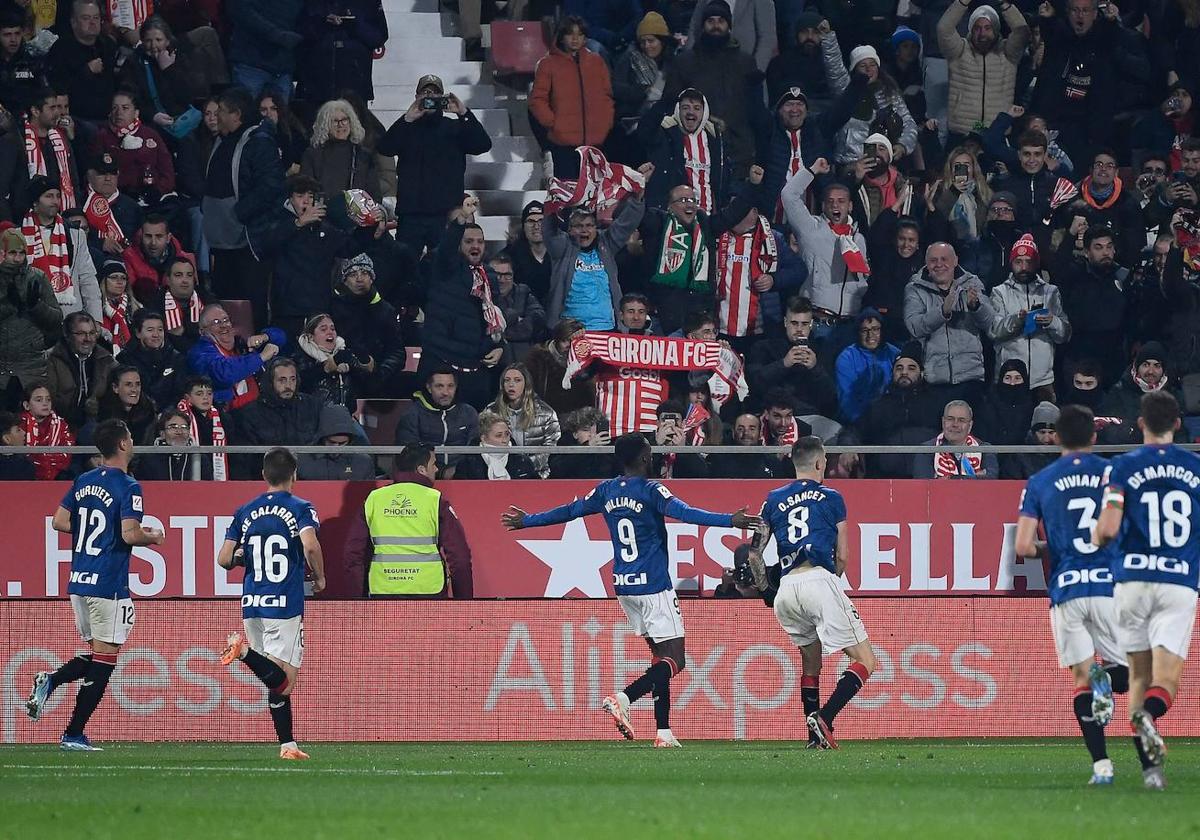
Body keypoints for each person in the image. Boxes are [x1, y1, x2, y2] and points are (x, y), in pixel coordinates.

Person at [503, 433, 761, 746]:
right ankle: (624, 698)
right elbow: (687, 513)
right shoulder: (652, 490)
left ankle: (663, 732)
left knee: (659, 659)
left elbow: (568, 512)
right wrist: (730, 521)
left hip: (624, 585)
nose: (652, 458)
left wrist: (527, 521)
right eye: (649, 454)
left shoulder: (605, 490)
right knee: (676, 660)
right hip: (653, 586)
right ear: (642, 458)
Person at [25, 419, 165, 750]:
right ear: (123, 445)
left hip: (78, 581)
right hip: (107, 583)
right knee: (105, 661)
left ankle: (52, 682)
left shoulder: (84, 480)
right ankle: (73, 732)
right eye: (130, 436)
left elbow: (60, 521)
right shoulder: (129, 486)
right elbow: (131, 533)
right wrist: (153, 538)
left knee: (100, 654)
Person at [1014, 403, 1127, 785]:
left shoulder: (1040, 482)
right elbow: (1119, 528)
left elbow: (1024, 547)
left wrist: (1055, 547)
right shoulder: (1113, 475)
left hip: (1066, 589)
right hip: (1109, 586)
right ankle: (1108, 684)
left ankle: (1102, 767)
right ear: (1094, 438)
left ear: (1057, 437)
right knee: (1128, 673)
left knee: (1081, 679)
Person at [1093, 391, 1200, 790]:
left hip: (1132, 582)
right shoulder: (1196, 469)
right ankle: (1151, 738)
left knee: (1136, 676)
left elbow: (1106, 529)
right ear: (1177, 424)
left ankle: (1149, 768)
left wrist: (1099, 536)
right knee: (1165, 680)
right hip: (1178, 582)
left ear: (1140, 424)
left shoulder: (1121, 467)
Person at [748, 436, 875, 749]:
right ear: (820, 463)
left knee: (810, 664)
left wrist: (766, 590)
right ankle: (825, 718)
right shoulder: (832, 497)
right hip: (818, 579)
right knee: (865, 660)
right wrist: (832, 584)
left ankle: (813, 739)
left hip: (787, 590)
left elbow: (753, 555)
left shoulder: (772, 499)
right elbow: (842, 554)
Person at [217, 446, 324, 761]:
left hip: (252, 601)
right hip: (284, 603)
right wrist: (319, 578)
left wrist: (242, 557)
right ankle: (244, 652)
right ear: (295, 475)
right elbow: (310, 545)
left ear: (263, 475)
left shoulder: (245, 511)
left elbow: (224, 559)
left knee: (273, 677)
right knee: (285, 683)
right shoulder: (300, 507)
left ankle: (287, 745)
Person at [376, 74, 492, 257]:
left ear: (442, 97)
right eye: (425, 93)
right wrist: (407, 118)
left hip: (445, 215)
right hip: (411, 215)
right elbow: (385, 148)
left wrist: (463, 113)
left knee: (443, 269)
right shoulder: (407, 127)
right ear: (416, 97)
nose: (429, 97)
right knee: (405, 268)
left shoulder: (455, 127)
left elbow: (483, 145)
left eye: (435, 93)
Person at [345, 443, 474, 597]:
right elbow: (459, 557)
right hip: (428, 590)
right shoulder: (436, 500)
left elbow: (353, 554)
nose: (437, 469)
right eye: (433, 464)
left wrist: (356, 598)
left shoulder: (374, 499)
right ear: (421, 470)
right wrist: (464, 601)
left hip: (384, 590)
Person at [780, 158, 869, 335]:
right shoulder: (810, 228)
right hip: (819, 322)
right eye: (830, 201)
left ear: (850, 206)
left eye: (841, 201)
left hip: (849, 325)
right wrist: (812, 170)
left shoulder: (858, 238)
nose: (835, 205)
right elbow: (789, 195)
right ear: (823, 205)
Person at [904, 242, 993, 404]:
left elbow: (990, 324)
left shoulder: (972, 283)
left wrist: (976, 307)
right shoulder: (914, 288)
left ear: (955, 261)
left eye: (944, 259)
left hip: (971, 379)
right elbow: (914, 327)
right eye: (933, 260)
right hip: (934, 381)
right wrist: (942, 311)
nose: (939, 264)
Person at [544, 193, 647, 331]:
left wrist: (637, 199)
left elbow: (625, 225)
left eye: (589, 225)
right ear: (569, 229)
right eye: (579, 226)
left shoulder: (606, 244)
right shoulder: (563, 247)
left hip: (607, 327)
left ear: (595, 228)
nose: (584, 230)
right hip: (571, 329)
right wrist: (551, 202)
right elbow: (549, 231)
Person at [529, 16, 614, 178]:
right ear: (561, 36)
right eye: (570, 34)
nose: (575, 39)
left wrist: (605, 122)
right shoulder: (548, 64)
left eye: (580, 34)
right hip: (563, 143)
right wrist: (554, 123)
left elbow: (607, 96)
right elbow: (537, 99)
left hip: (595, 142)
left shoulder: (596, 62)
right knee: (569, 193)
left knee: (593, 193)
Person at [937, 1, 1030, 145]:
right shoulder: (959, 50)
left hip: (997, 132)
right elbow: (944, 29)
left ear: (996, 29)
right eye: (977, 28)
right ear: (970, 30)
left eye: (988, 28)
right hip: (961, 133)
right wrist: (963, 2)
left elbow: (1022, 32)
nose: (982, 34)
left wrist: (1005, 4)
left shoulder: (1008, 52)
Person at [22, 174, 100, 322]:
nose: (55, 201)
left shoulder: (76, 235)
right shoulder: (18, 235)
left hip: (69, 317)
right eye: (49, 196)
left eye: (58, 196)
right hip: (31, 319)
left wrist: (95, 320)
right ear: (34, 202)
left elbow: (87, 278)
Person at [328, 254, 407, 399]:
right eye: (353, 274)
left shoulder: (386, 310)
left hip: (378, 384)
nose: (359, 279)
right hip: (340, 381)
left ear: (372, 278)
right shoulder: (331, 308)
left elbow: (396, 352)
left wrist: (379, 374)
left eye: (364, 273)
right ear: (344, 280)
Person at [0, 224, 62, 398]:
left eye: (21, 253)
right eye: (12, 253)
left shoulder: (37, 277)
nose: (18, 259)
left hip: (31, 368)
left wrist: (35, 305)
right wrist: (9, 304)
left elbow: (56, 320)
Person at [186, 303, 284, 409]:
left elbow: (281, 337)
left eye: (226, 320)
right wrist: (261, 357)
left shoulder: (241, 344)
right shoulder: (198, 353)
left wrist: (265, 336)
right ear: (202, 331)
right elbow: (224, 373)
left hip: (260, 407)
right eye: (216, 322)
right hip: (230, 414)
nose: (223, 325)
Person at [395, 367, 478, 479]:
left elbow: (475, 451)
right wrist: (442, 472)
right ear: (429, 388)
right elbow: (409, 456)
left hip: (462, 476)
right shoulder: (412, 415)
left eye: (450, 386)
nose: (445, 392)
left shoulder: (469, 413)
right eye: (439, 386)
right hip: (425, 477)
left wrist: (459, 470)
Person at [45, 1, 119, 123]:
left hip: (110, 118)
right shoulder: (61, 49)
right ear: (73, 22)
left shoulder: (108, 45)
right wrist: (86, 72)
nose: (92, 22)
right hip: (77, 119)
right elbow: (59, 90)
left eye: (96, 17)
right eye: (86, 18)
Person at [484, 362, 560, 478]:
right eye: (507, 380)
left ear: (526, 384)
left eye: (517, 380)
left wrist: (523, 467)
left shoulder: (546, 413)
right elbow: (484, 444)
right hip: (499, 474)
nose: (511, 385)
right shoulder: (491, 412)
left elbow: (552, 450)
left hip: (537, 476)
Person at [300, 98, 382, 201]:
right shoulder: (312, 155)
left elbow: (374, 193)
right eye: (335, 121)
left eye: (344, 120)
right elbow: (306, 191)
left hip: (357, 214)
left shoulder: (363, 155)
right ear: (325, 124)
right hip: (323, 213)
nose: (340, 125)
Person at [46, 311, 114, 429]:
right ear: (67, 335)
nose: (88, 339)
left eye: (92, 333)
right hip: (60, 423)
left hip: (98, 424)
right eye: (81, 333)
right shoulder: (52, 360)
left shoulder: (107, 361)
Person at [913, 399, 999, 479]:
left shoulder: (985, 449)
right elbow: (924, 483)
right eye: (950, 419)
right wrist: (974, 477)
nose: (955, 424)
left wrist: (946, 479)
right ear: (943, 422)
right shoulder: (926, 450)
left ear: (970, 426)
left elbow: (990, 478)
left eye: (961, 420)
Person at [124, 214, 194, 304]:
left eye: (159, 236)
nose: (153, 242)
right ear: (141, 236)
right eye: (148, 236)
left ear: (168, 238)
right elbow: (130, 295)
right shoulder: (129, 256)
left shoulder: (184, 259)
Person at [491, 252, 545, 364]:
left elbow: (538, 321)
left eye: (507, 275)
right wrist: (515, 317)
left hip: (524, 365)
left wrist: (501, 331)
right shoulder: (481, 296)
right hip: (494, 365)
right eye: (497, 274)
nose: (502, 280)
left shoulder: (523, 292)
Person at [453, 412, 540, 480]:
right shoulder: (467, 464)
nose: (505, 440)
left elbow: (537, 488)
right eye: (499, 435)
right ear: (483, 438)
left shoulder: (522, 461)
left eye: (507, 434)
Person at [20, 381, 73, 480]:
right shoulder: (18, 426)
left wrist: (45, 460)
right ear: (27, 405)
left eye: (48, 400)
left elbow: (67, 453)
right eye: (39, 400)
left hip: (58, 475)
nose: (45, 403)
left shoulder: (61, 424)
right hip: (26, 475)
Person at [137, 407, 203, 481]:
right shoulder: (149, 460)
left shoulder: (200, 459)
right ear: (162, 434)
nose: (179, 432)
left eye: (184, 427)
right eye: (173, 427)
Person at [95, 364, 156, 443]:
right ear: (115, 388)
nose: (134, 390)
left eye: (137, 384)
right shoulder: (101, 414)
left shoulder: (149, 413)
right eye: (128, 385)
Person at [0, 410, 35, 479]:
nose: (24, 432)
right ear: (7, 439)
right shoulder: (24, 465)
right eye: (18, 430)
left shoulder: (26, 464)